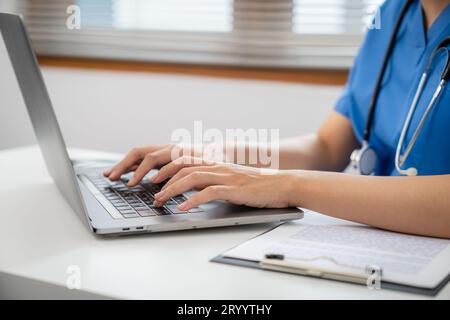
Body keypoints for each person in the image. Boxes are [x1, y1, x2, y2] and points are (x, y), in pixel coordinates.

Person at [104, 0, 450, 239]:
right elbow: (328, 147)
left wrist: (283, 184)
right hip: (383, 243)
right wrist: (216, 156)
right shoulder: (393, 15)